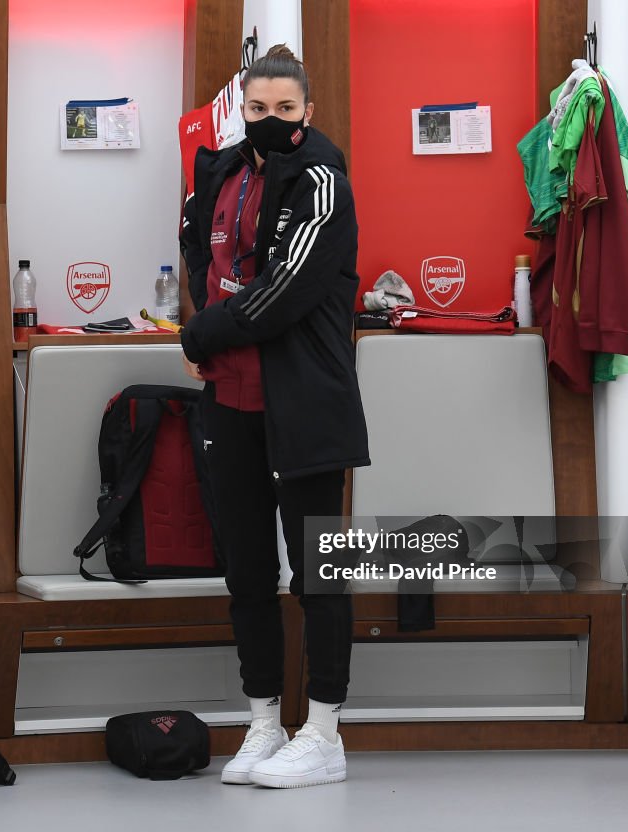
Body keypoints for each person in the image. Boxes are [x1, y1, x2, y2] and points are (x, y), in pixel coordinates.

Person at [179, 44, 369, 789]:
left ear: (307, 111)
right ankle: (263, 722)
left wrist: (202, 331)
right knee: (249, 575)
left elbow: (287, 288)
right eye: (258, 109)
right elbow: (198, 249)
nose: (270, 121)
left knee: (320, 576)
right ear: (242, 110)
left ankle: (323, 733)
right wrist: (207, 315)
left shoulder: (325, 179)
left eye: (285, 109)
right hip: (228, 401)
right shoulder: (220, 172)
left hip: (308, 408)